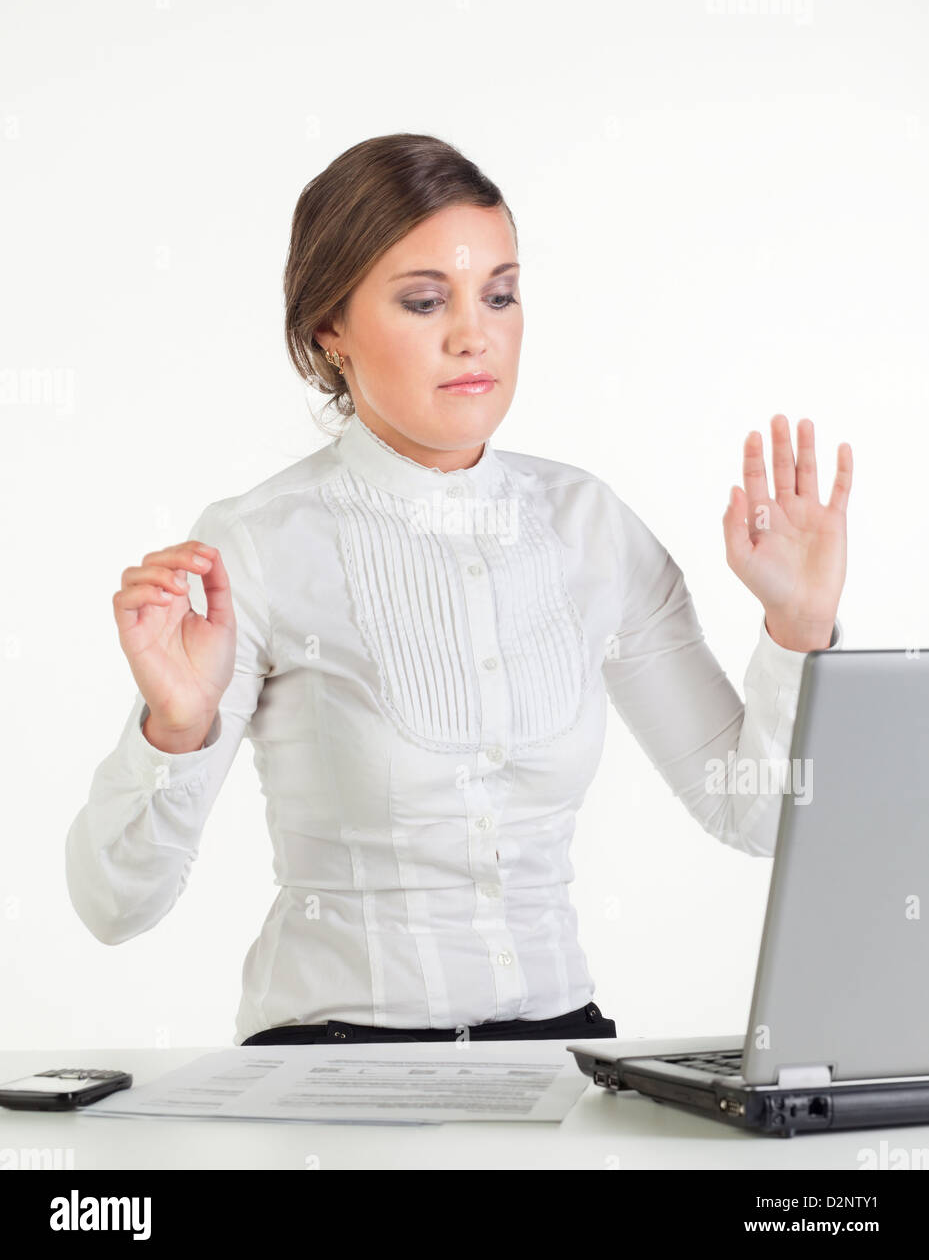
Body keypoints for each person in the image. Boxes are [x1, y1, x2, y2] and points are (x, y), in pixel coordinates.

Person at [65, 132, 853, 1047]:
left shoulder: (589, 527)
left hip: (559, 1059)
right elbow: (112, 907)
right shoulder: (257, 543)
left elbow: (753, 813)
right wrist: (174, 730)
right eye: (423, 300)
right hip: (326, 1073)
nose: (474, 333)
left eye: (500, 294)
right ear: (329, 329)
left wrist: (797, 629)